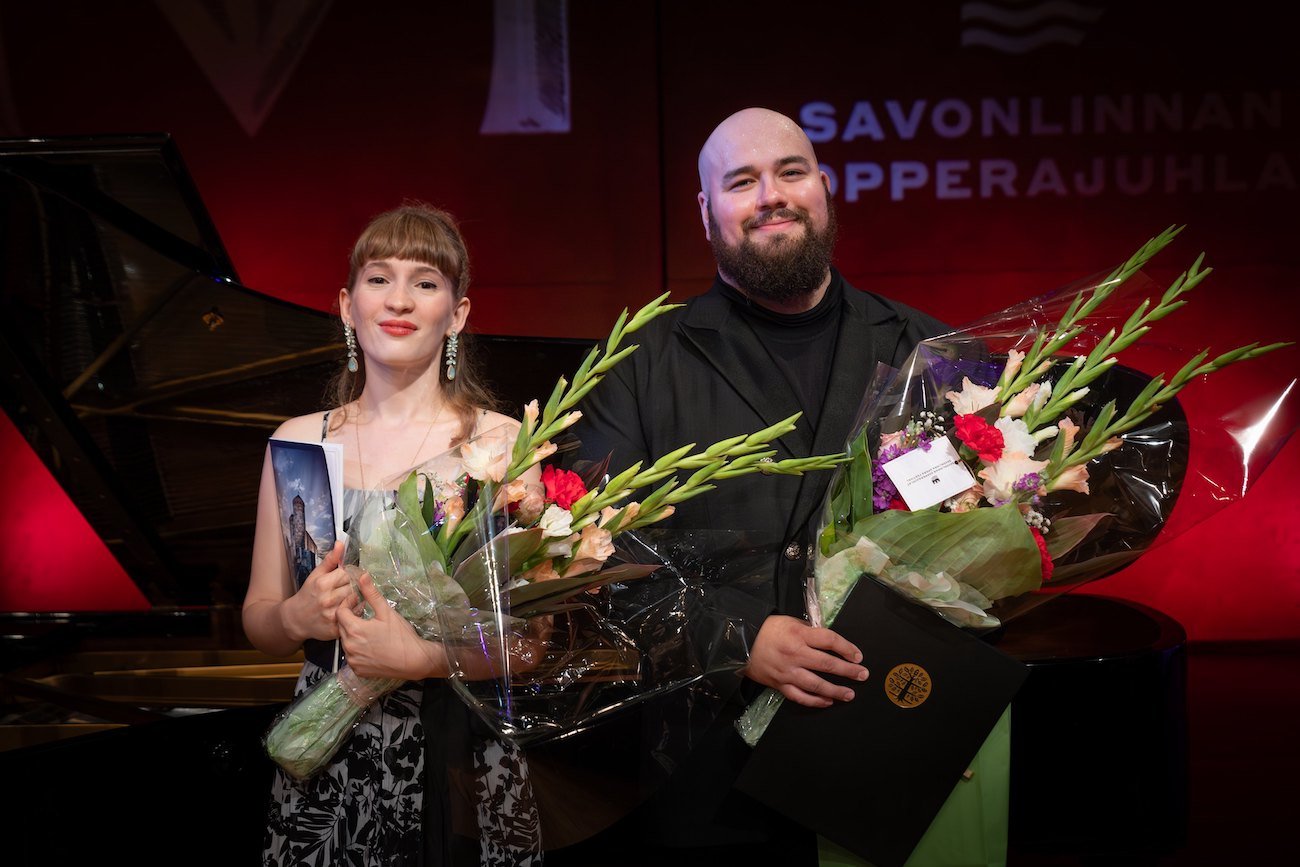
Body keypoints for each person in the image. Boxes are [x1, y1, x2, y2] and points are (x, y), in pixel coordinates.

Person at [561, 108, 949, 864]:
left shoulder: (920, 346)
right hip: (705, 769)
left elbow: (973, 522)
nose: (771, 195)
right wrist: (737, 637)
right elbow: (587, 553)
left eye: (790, 172)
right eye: (742, 182)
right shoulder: (637, 362)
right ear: (707, 214)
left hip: (889, 733)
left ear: (826, 190)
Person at [242, 204, 541, 866]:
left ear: (457, 313)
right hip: (326, 751)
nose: (400, 299)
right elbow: (259, 619)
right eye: (380, 279)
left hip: (461, 747)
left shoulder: (499, 445)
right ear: (348, 305)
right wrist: (295, 613)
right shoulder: (299, 443)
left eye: (427, 282)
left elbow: (532, 642)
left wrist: (424, 659)